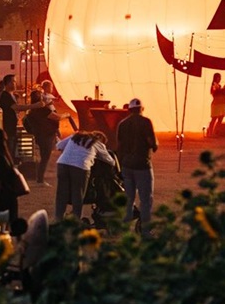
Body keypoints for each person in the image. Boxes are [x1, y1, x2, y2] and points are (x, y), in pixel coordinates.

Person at [116, 98, 158, 232]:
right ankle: (145, 230)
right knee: (146, 200)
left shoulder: (122, 124)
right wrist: (155, 145)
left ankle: (124, 223)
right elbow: (152, 143)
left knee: (129, 197)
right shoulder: (146, 122)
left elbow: (120, 145)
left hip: (127, 165)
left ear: (129, 110)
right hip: (142, 165)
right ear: (142, 109)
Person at [54, 132, 111, 221]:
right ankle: (76, 219)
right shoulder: (98, 143)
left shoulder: (75, 136)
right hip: (80, 166)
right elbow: (110, 161)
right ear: (101, 140)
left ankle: (58, 218)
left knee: (62, 194)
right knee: (78, 194)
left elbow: (59, 146)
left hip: (63, 163)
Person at [22, 90, 61, 184]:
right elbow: (56, 117)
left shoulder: (30, 112)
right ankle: (40, 179)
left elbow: (25, 122)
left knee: (42, 156)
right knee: (45, 157)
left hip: (39, 136)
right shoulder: (44, 110)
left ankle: (39, 177)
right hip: (47, 135)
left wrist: (32, 132)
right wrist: (66, 115)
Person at [0, 74, 30, 157]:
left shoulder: (11, 95)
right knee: (8, 154)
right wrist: (34, 106)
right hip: (7, 130)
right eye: (13, 81)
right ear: (8, 83)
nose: (15, 83)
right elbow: (16, 107)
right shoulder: (5, 95)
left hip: (11, 129)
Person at [207, 73, 225, 138]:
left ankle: (215, 132)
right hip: (216, 104)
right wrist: (220, 90)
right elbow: (213, 93)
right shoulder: (214, 85)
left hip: (221, 104)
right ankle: (210, 132)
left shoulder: (219, 85)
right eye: (218, 77)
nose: (219, 79)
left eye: (220, 77)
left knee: (220, 119)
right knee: (214, 119)